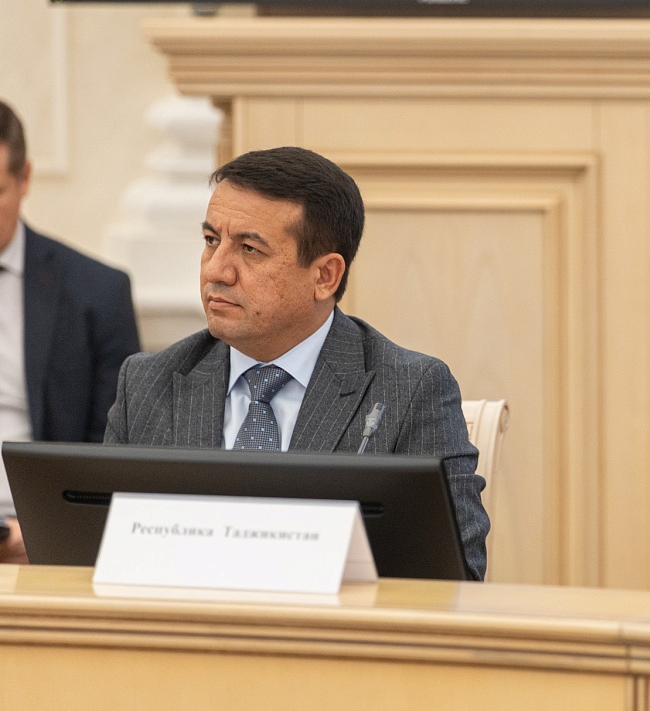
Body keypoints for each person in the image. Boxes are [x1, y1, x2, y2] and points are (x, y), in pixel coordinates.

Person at [103, 146, 490, 579]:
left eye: (249, 249)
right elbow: (99, 556)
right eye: (211, 241)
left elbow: (457, 576)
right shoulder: (148, 383)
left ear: (325, 276)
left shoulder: (408, 390)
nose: (216, 271)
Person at [0, 100, 140, 564]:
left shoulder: (97, 294)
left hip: (38, 538)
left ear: (24, 179)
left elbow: (114, 451)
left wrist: (42, 529)